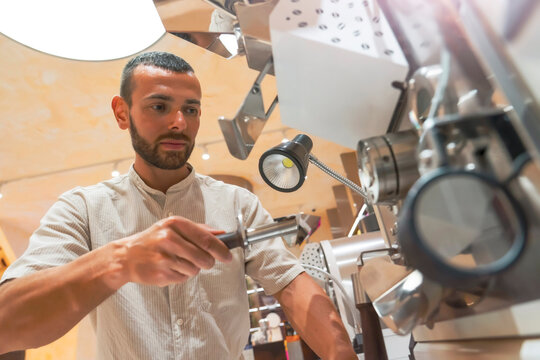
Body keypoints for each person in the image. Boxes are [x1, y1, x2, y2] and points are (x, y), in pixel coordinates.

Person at [0, 52, 356, 359]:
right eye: (159, 107)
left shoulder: (237, 203)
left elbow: (290, 284)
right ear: (122, 113)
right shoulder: (82, 210)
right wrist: (119, 261)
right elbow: (7, 322)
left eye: (191, 109)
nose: (179, 123)